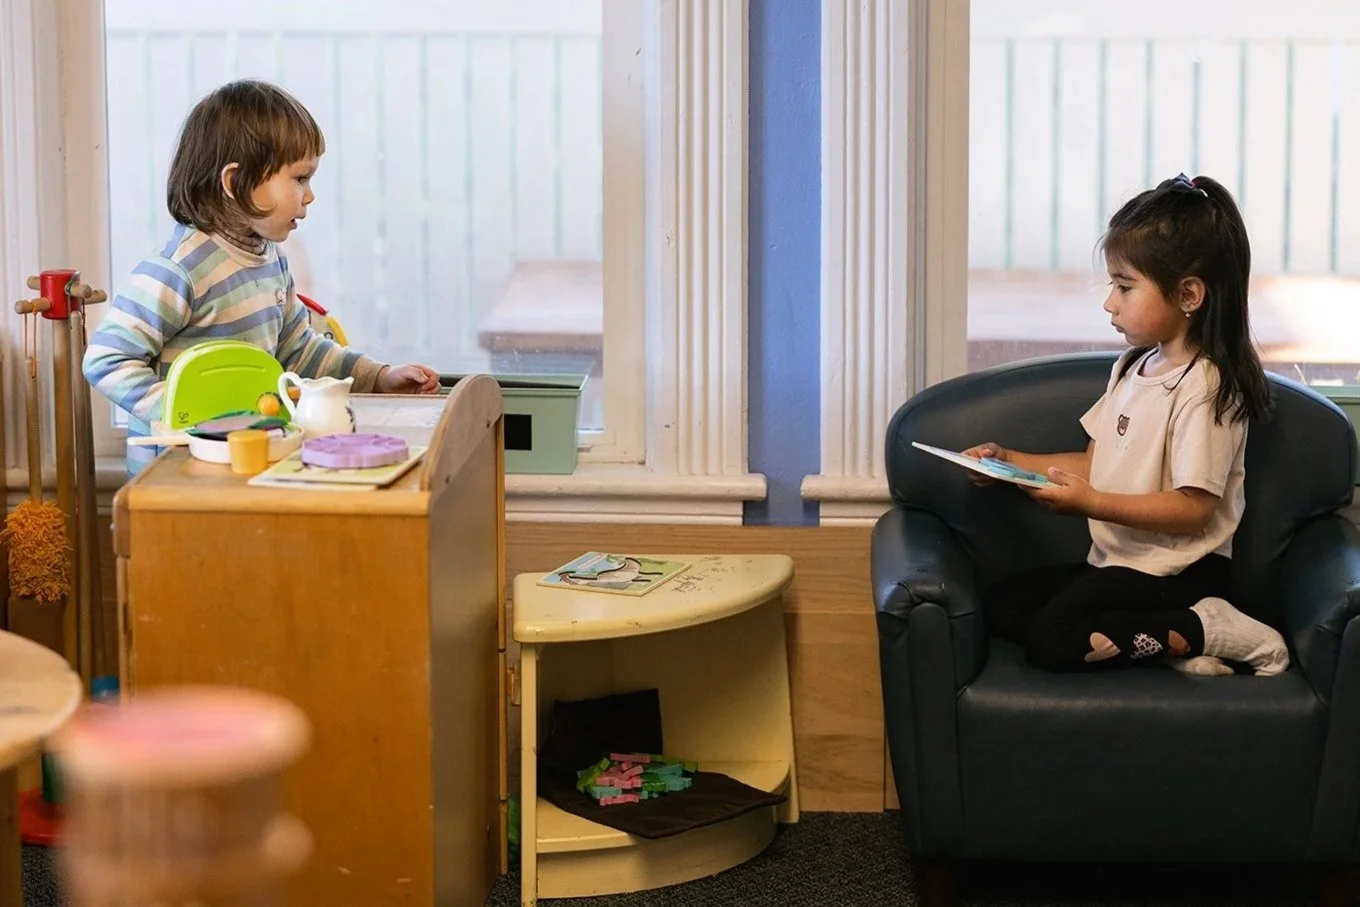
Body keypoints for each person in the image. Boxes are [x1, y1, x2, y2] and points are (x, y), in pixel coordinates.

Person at [964, 173, 1288, 677]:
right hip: (1116, 568)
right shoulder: (1132, 368)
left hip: (1179, 574)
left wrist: (1090, 504)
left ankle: (1208, 627)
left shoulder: (1205, 387)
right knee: (1001, 605)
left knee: (1051, 641)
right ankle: (1173, 641)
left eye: (1124, 286)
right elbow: (1096, 464)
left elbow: (1192, 510)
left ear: (1188, 295)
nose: (1109, 303)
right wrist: (1009, 462)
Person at [83, 79, 441, 474]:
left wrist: (379, 377)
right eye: (300, 178)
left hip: (248, 453)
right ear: (235, 182)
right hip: (177, 470)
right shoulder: (176, 271)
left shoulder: (272, 261)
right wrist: (185, 413)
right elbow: (106, 360)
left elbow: (299, 351)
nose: (309, 195)